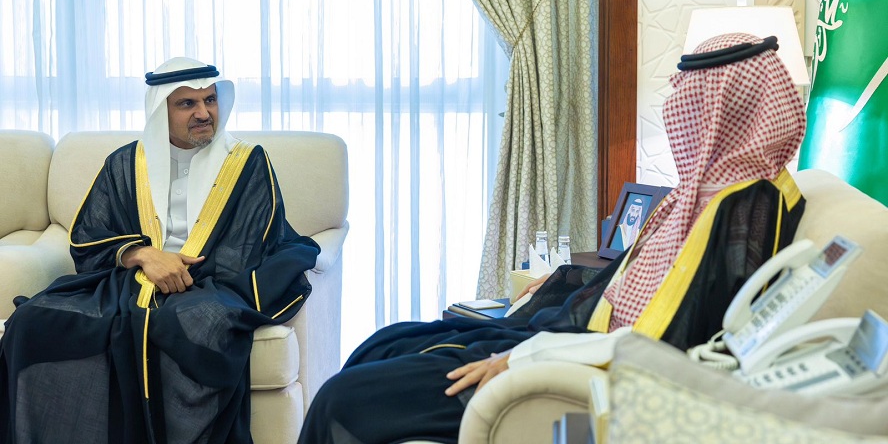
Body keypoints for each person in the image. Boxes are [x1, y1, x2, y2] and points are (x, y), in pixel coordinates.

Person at [297, 32, 809, 444]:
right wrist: (553, 293)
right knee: (386, 343)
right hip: (574, 339)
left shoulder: (746, 209)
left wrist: (521, 359)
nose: (674, 105)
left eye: (688, 94)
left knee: (344, 399)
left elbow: (681, 343)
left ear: (725, 105)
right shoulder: (700, 193)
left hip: (588, 365)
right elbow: (628, 285)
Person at [0, 57, 321, 443]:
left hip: (210, 284)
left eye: (210, 100)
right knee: (31, 321)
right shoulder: (125, 164)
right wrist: (142, 255)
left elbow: (252, 241)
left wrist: (183, 272)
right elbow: (87, 235)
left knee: (192, 325)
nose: (203, 113)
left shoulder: (248, 163)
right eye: (187, 103)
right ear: (160, 110)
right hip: (128, 281)